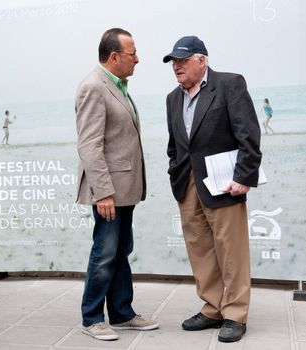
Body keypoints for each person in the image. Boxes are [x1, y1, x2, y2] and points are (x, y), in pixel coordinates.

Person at [163, 36, 261, 343]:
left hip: (224, 182)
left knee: (231, 250)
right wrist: (175, 170)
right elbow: (175, 146)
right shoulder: (172, 98)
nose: (177, 66)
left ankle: (235, 313)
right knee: (200, 248)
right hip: (187, 182)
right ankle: (213, 307)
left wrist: (244, 175)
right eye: (173, 62)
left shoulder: (230, 84)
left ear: (201, 60)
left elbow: (249, 134)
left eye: (182, 60)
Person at [75, 28, 159, 341]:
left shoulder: (118, 85)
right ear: (114, 57)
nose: (137, 59)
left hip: (124, 187)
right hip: (109, 190)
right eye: (132, 54)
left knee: (121, 249)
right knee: (105, 251)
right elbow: (90, 145)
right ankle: (92, 317)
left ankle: (122, 313)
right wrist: (104, 193)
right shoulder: (93, 87)